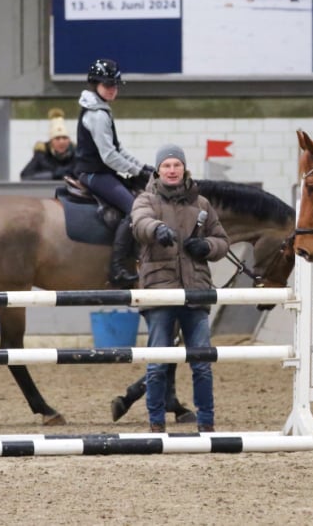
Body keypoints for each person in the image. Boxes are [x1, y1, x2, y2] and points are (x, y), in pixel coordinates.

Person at [132, 144, 230, 433]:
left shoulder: (201, 204)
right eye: (167, 165)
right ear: (158, 170)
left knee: (201, 363)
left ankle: (207, 422)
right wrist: (155, 230)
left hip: (195, 292)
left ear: (183, 169)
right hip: (159, 292)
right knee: (157, 363)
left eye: (176, 165)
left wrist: (207, 246)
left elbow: (222, 241)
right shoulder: (145, 199)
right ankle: (156, 423)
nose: (172, 170)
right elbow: (139, 223)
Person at [74, 58, 155, 288]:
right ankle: (117, 268)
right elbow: (109, 156)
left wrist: (143, 167)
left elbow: (118, 149)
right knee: (134, 209)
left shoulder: (101, 109)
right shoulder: (97, 115)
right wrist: (137, 170)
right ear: (95, 85)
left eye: (115, 85)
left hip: (101, 171)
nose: (112, 89)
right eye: (107, 84)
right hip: (93, 174)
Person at [19, 108, 76, 181]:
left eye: (64, 138)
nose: (61, 142)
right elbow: (25, 176)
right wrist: (52, 175)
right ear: (51, 141)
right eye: (57, 138)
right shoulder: (42, 156)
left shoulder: (77, 155)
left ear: (69, 140)